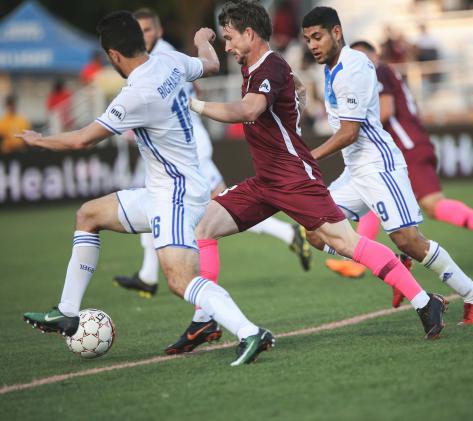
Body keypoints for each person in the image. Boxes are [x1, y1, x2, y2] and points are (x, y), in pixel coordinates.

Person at [18, 11, 272, 366]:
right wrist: (202, 42)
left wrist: (39, 140)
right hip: (164, 189)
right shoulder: (169, 59)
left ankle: (250, 332)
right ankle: (67, 311)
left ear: (114, 56)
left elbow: (81, 140)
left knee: (180, 279)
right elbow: (210, 65)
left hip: (175, 195)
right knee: (89, 215)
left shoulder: (137, 94)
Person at [190, 0, 448, 341]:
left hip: (294, 177)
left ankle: (425, 301)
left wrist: (194, 104)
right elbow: (288, 83)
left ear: (249, 34)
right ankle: (204, 319)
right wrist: (201, 44)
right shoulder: (259, 66)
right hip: (267, 180)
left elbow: (250, 109)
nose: (226, 46)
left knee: (345, 242)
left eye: (229, 38)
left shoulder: (268, 67)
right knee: (204, 227)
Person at [109, 8, 309, 355]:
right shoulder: (149, 60)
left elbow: (205, 80)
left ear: (155, 30)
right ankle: (160, 284)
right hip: (172, 152)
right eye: (138, 29)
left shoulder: (162, 56)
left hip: (190, 152)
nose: (143, 34)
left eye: (146, 28)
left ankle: (284, 237)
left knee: (208, 213)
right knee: (200, 219)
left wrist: (201, 55)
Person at [302, 6, 473, 325]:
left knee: (409, 240)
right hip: (355, 171)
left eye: (317, 37)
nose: (312, 45)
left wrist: (309, 157)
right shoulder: (331, 67)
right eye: (308, 39)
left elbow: (350, 132)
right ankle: (390, 261)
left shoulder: (353, 67)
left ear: (337, 32)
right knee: (315, 231)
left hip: (379, 166)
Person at [324, 40, 473, 304]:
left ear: (374, 55)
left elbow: (386, 110)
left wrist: (352, 117)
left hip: (404, 146)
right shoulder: (377, 70)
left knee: (429, 208)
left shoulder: (378, 70)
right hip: (401, 145)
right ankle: (373, 259)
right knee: (379, 205)